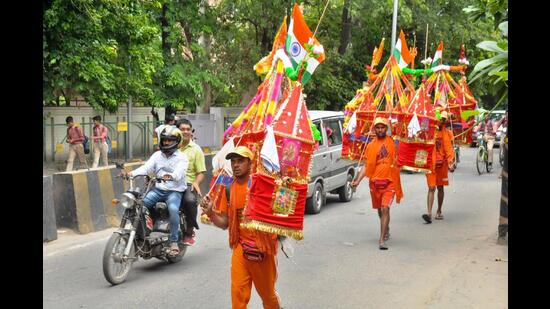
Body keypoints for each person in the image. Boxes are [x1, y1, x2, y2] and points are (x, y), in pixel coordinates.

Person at [200, 146, 281, 309]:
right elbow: (225, 223)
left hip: (263, 249)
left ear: (250, 163)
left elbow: (278, 213)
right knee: (238, 296)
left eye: (240, 161)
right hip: (240, 248)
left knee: (268, 296)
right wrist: (211, 213)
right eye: (233, 161)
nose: (235, 165)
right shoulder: (229, 188)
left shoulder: (262, 185)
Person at [120, 126, 189, 256]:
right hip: (158, 190)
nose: (166, 143)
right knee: (140, 205)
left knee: (173, 209)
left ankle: (174, 241)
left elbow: (180, 172)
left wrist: (171, 176)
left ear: (177, 141)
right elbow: (146, 168)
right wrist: (130, 174)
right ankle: (145, 233)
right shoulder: (157, 155)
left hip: (174, 191)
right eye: (164, 140)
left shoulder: (182, 157)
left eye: (170, 140)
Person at [351, 117, 403, 250]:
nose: (380, 130)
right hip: (375, 183)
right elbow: (366, 166)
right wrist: (357, 180)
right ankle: (386, 228)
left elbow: (404, 137)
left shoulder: (393, 143)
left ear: (387, 129)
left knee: (385, 208)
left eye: (383, 127)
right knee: (381, 210)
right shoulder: (370, 146)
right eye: (378, 127)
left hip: (390, 183)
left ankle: (381, 240)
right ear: (374, 129)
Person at [177, 118, 207, 246]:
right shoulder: (169, 145)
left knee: (190, 201)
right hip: (169, 183)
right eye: (182, 129)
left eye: (188, 129)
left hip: (187, 184)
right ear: (176, 131)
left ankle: (189, 231)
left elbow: (201, 172)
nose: (185, 131)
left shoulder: (196, 150)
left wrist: (196, 182)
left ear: (191, 132)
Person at [422, 111, 455, 224]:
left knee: (440, 187)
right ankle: (429, 213)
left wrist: (451, 162)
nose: (442, 121)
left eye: (444, 119)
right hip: (431, 164)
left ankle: (439, 210)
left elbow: (449, 149)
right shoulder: (429, 130)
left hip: (442, 165)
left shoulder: (447, 133)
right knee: (431, 187)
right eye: (440, 118)